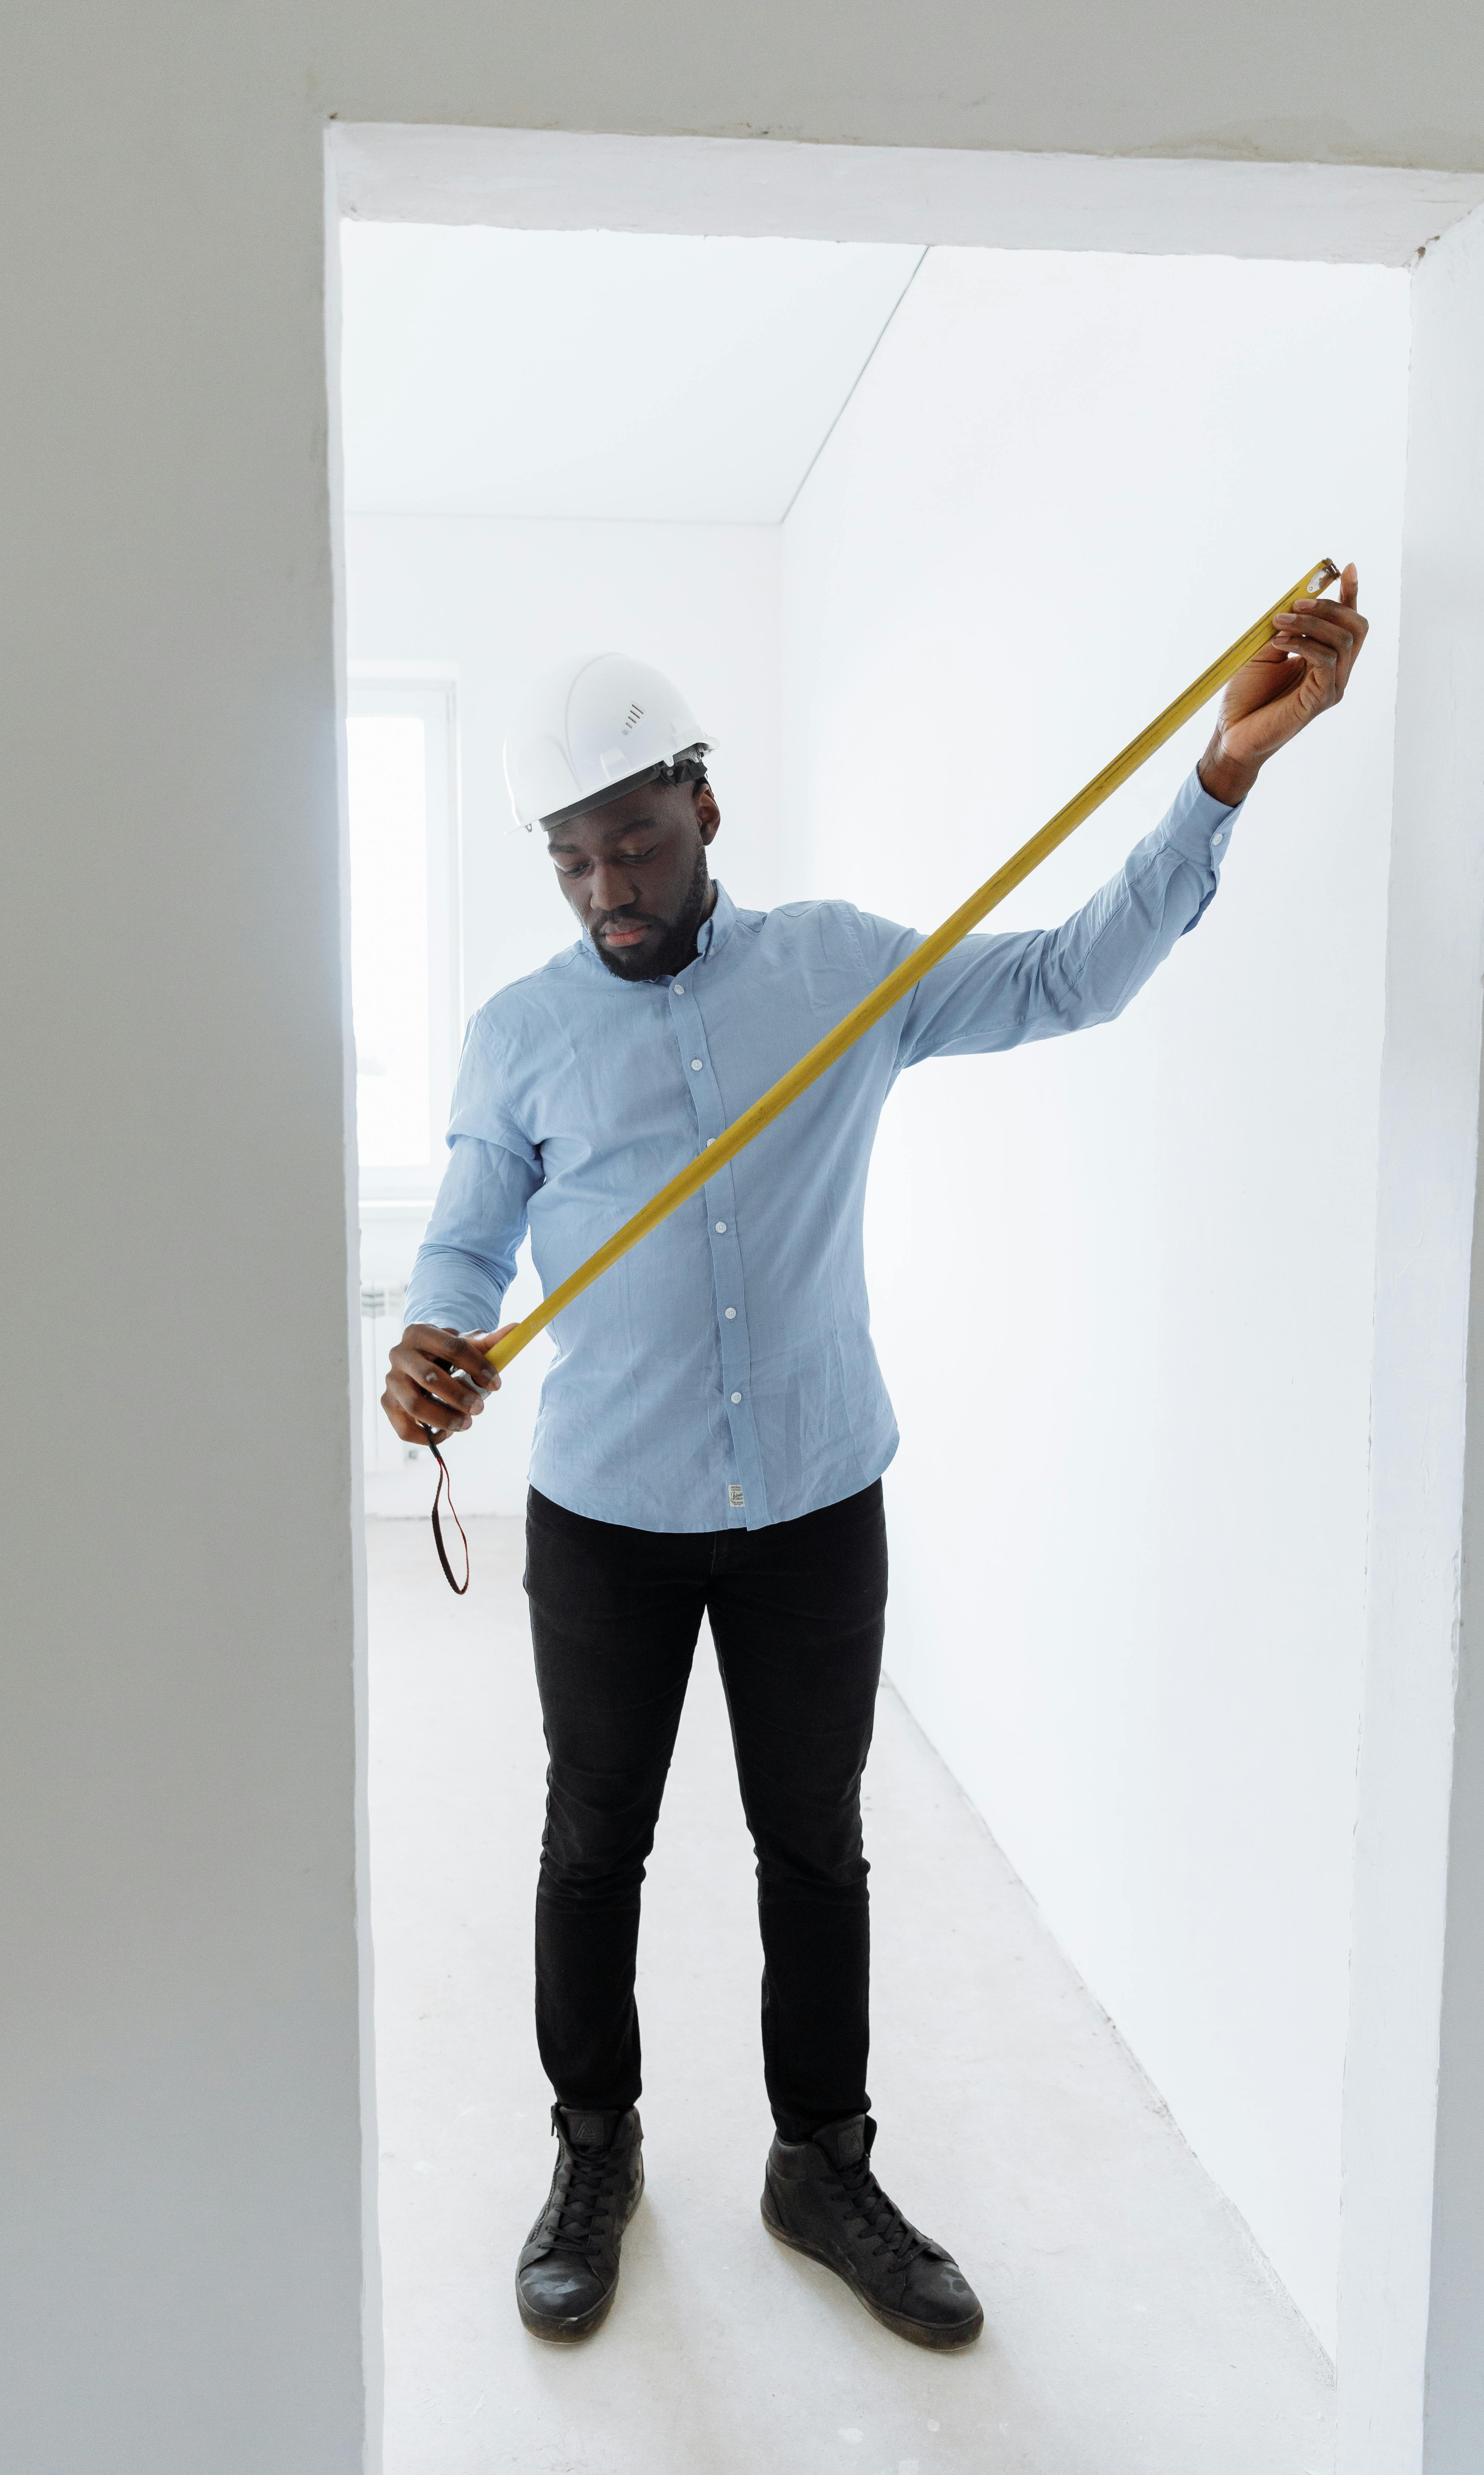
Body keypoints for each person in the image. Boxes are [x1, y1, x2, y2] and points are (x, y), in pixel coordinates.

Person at [382, 573, 1369, 2349]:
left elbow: (1068, 977)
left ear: (703, 803)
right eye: (573, 860)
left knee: (814, 1846)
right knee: (594, 1839)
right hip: (604, 1518)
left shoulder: (839, 970)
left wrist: (1219, 777)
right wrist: (430, 1342)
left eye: (634, 841)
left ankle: (818, 2164)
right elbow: (464, 1241)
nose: (609, 888)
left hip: (819, 1505)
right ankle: (591, 2152)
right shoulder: (521, 1033)